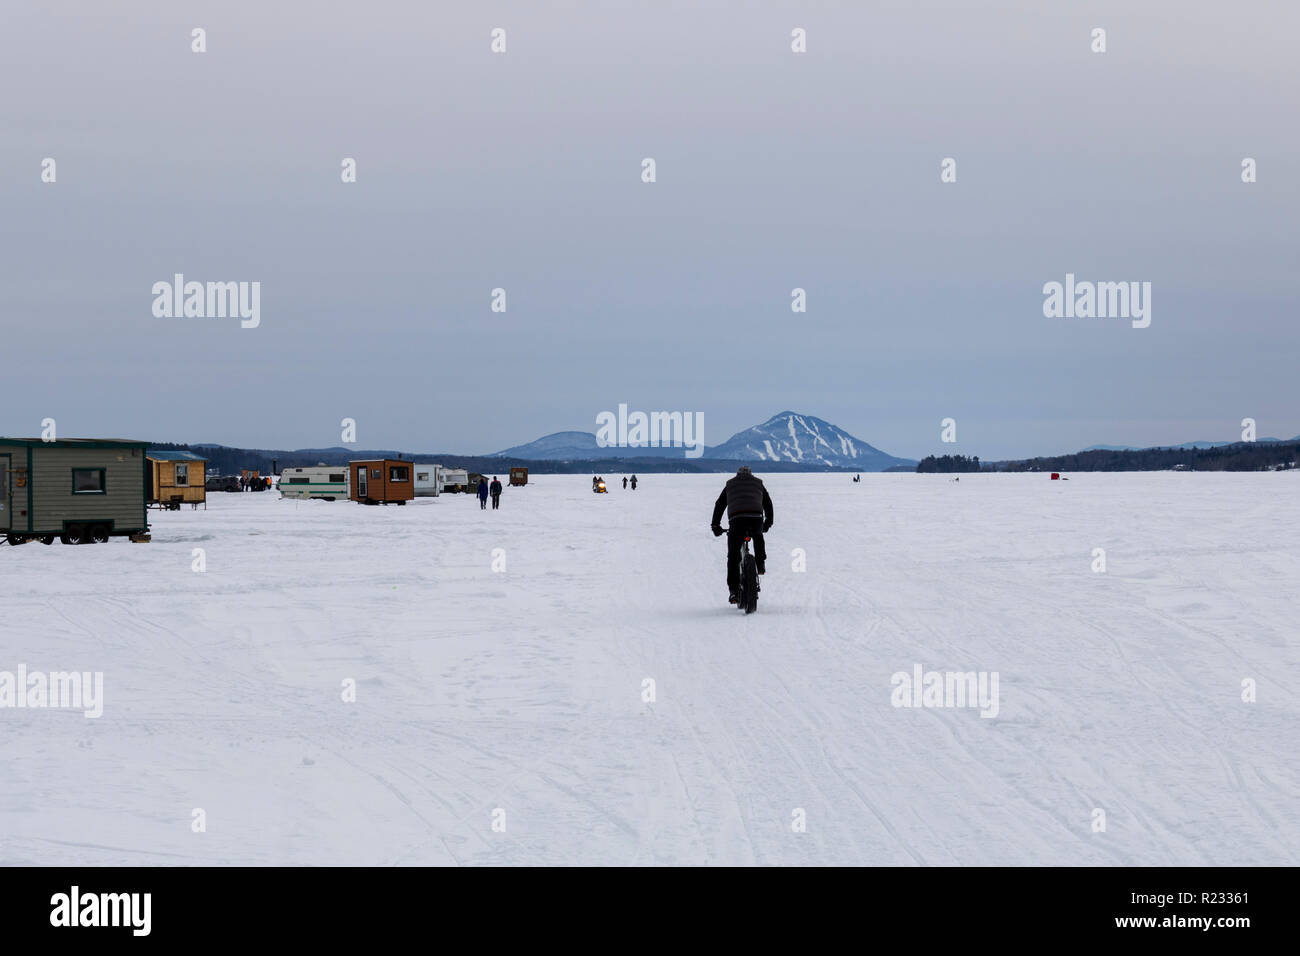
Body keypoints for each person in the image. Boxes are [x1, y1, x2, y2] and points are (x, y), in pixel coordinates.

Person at [710, 465, 773, 605]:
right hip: (756, 517)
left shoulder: (730, 484)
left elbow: (719, 505)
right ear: (751, 474)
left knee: (733, 555)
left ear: (737, 475)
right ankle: (760, 563)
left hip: (737, 519)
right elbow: (768, 504)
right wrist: (767, 523)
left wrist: (715, 526)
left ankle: (733, 591)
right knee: (758, 535)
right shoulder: (758, 483)